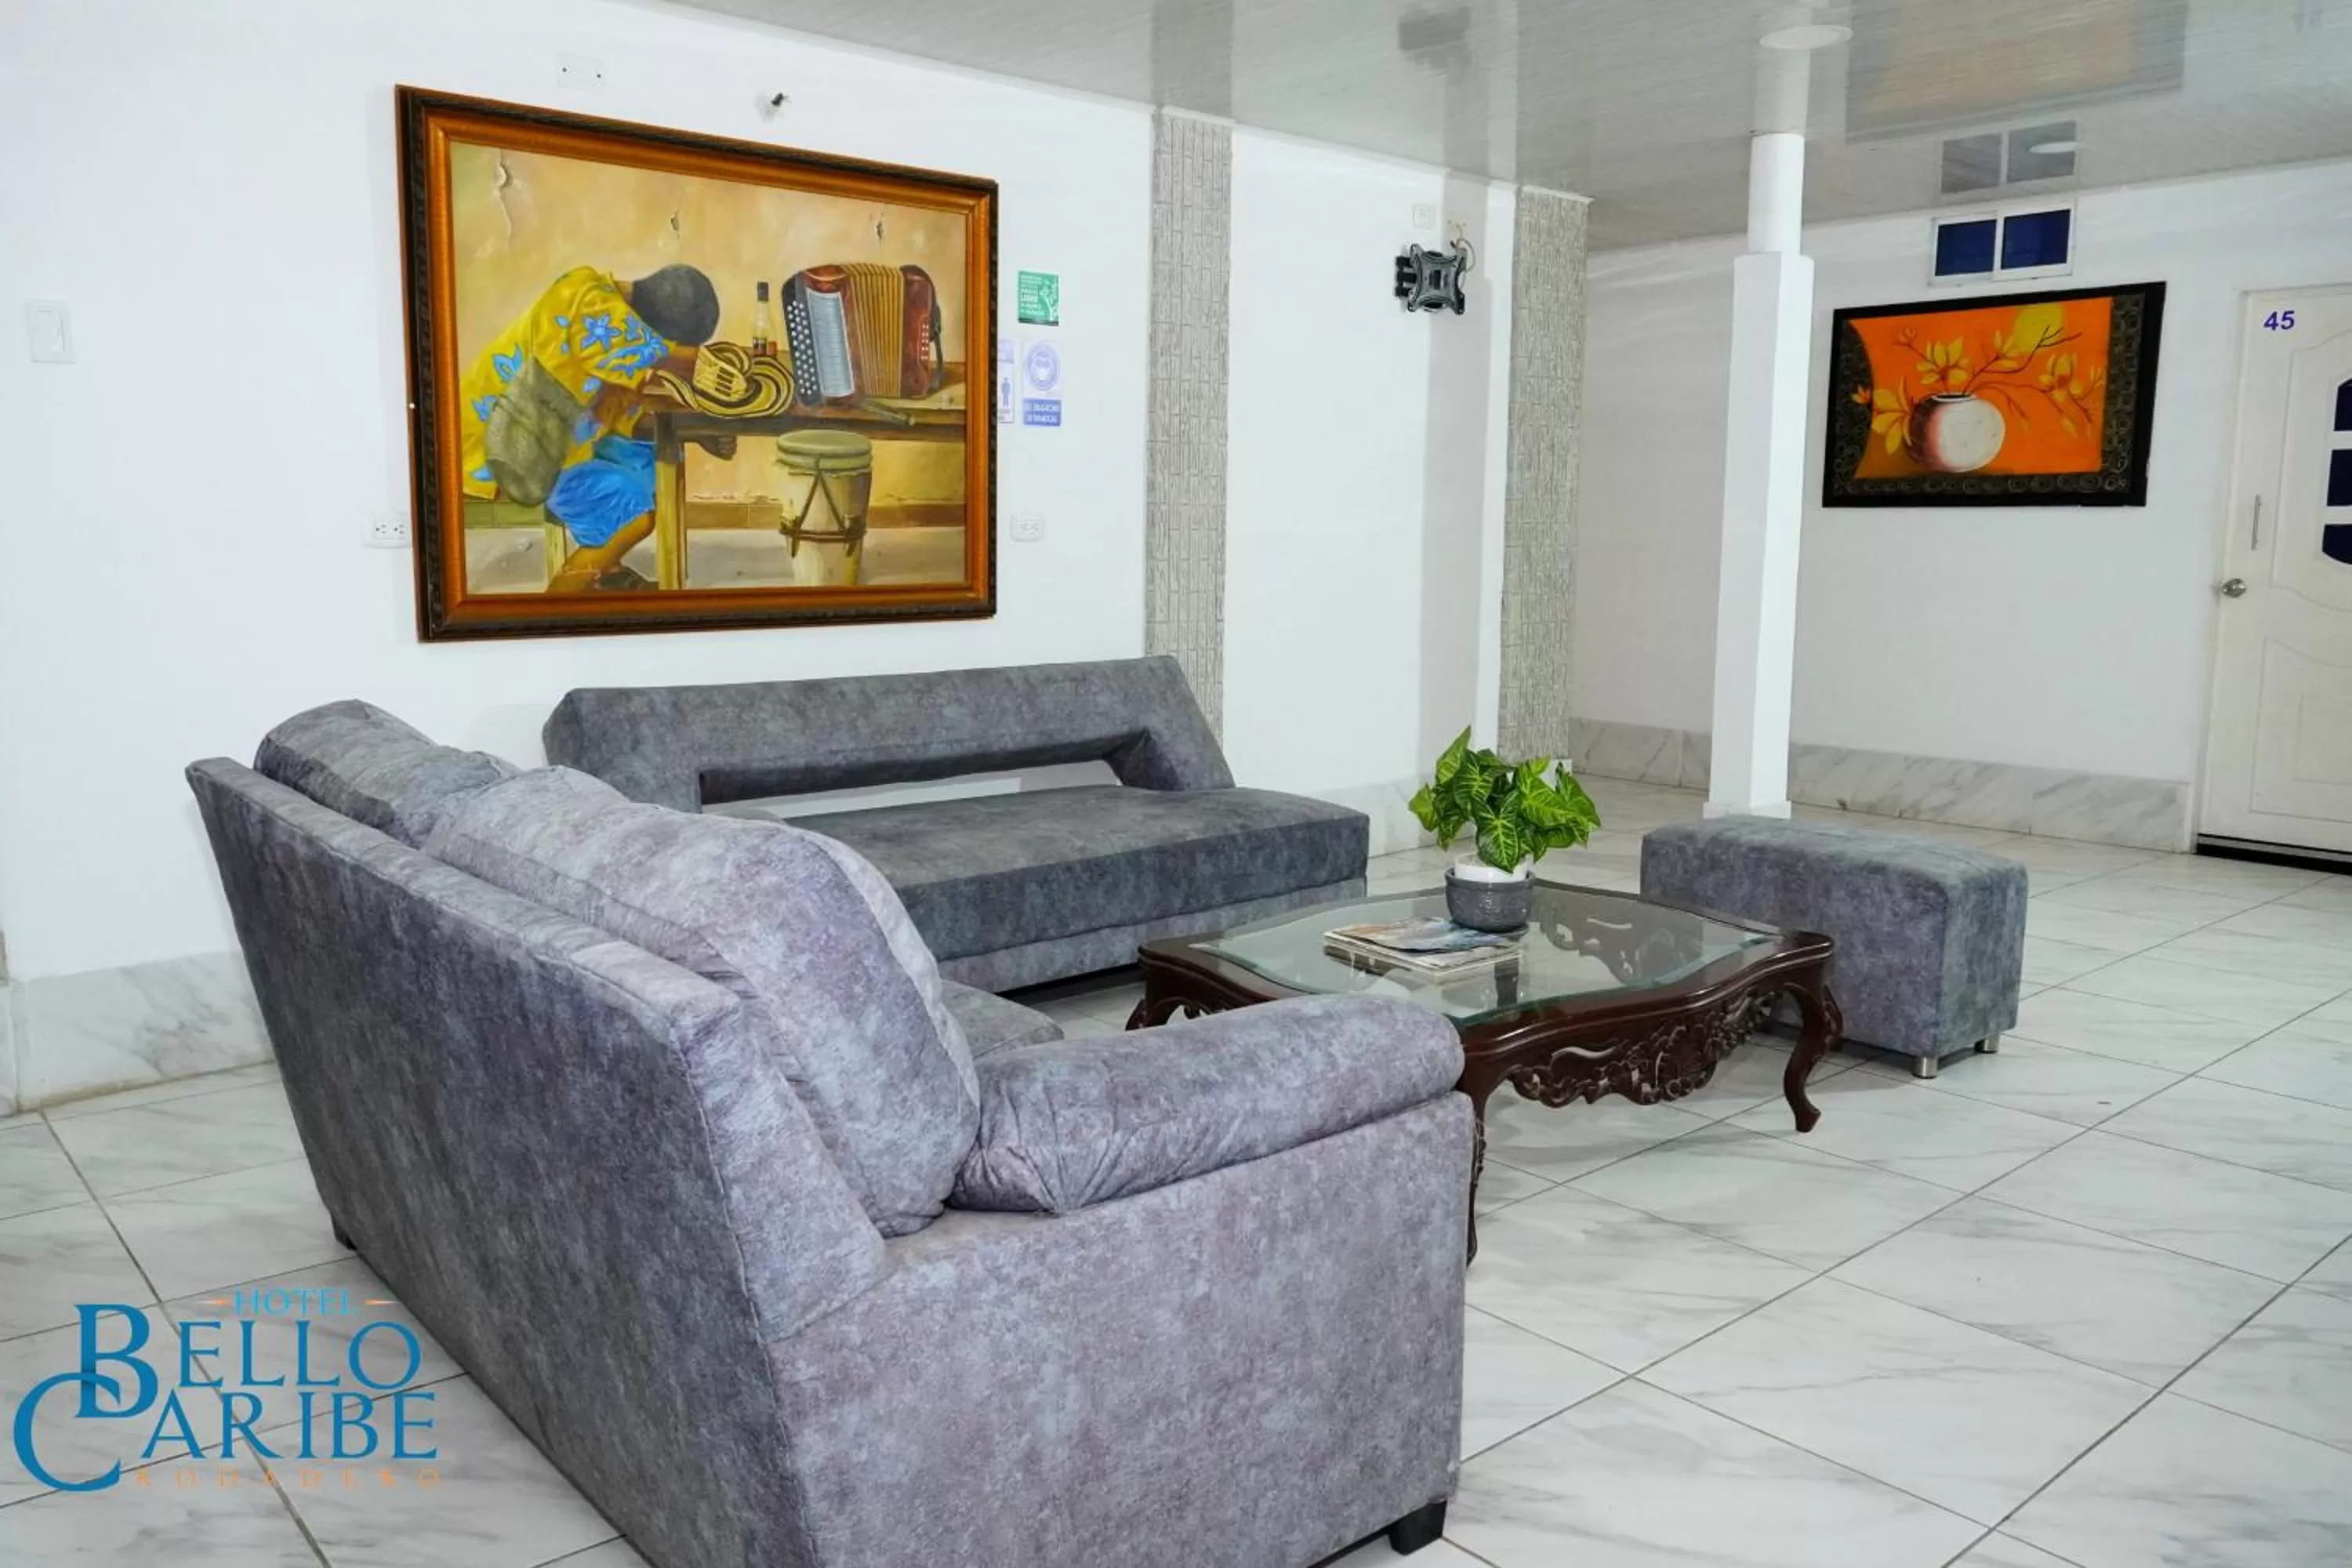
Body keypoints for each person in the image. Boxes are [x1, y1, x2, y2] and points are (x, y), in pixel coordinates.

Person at [458, 263, 720, 552]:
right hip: (507, 449)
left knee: (651, 459)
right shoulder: (589, 305)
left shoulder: (601, 300)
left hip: (561, 439)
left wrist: (698, 432)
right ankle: (565, 593)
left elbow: (621, 398)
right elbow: (668, 357)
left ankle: (607, 573)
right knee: (634, 516)